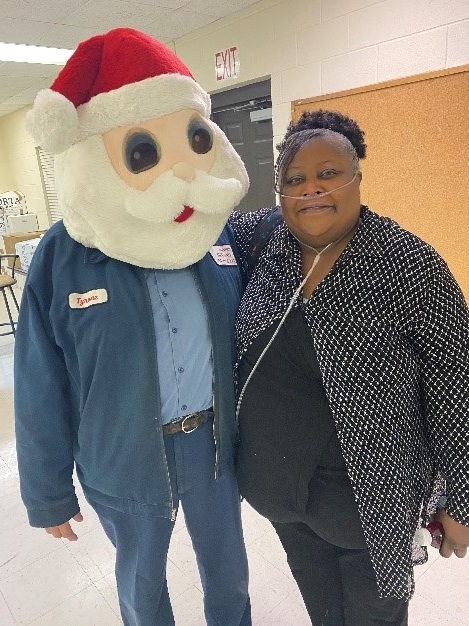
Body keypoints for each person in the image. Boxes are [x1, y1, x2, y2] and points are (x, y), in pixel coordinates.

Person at [15, 28, 252, 626]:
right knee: (141, 584)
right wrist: (47, 492)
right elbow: (40, 382)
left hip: (212, 443)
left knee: (228, 570)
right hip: (122, 452)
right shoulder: (63, 255)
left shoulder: (211, 234)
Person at [229, 109, 469, 625]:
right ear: (280, 193)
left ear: (357, 176)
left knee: (375, 616)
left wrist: (461, 500)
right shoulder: (262, 245)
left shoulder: (409, 264)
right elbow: (190, 229)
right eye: (295, 179)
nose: (311, 188)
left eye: (329, 172)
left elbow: (457, 385)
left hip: (369, 503)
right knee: (323, 610)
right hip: (280, 492)